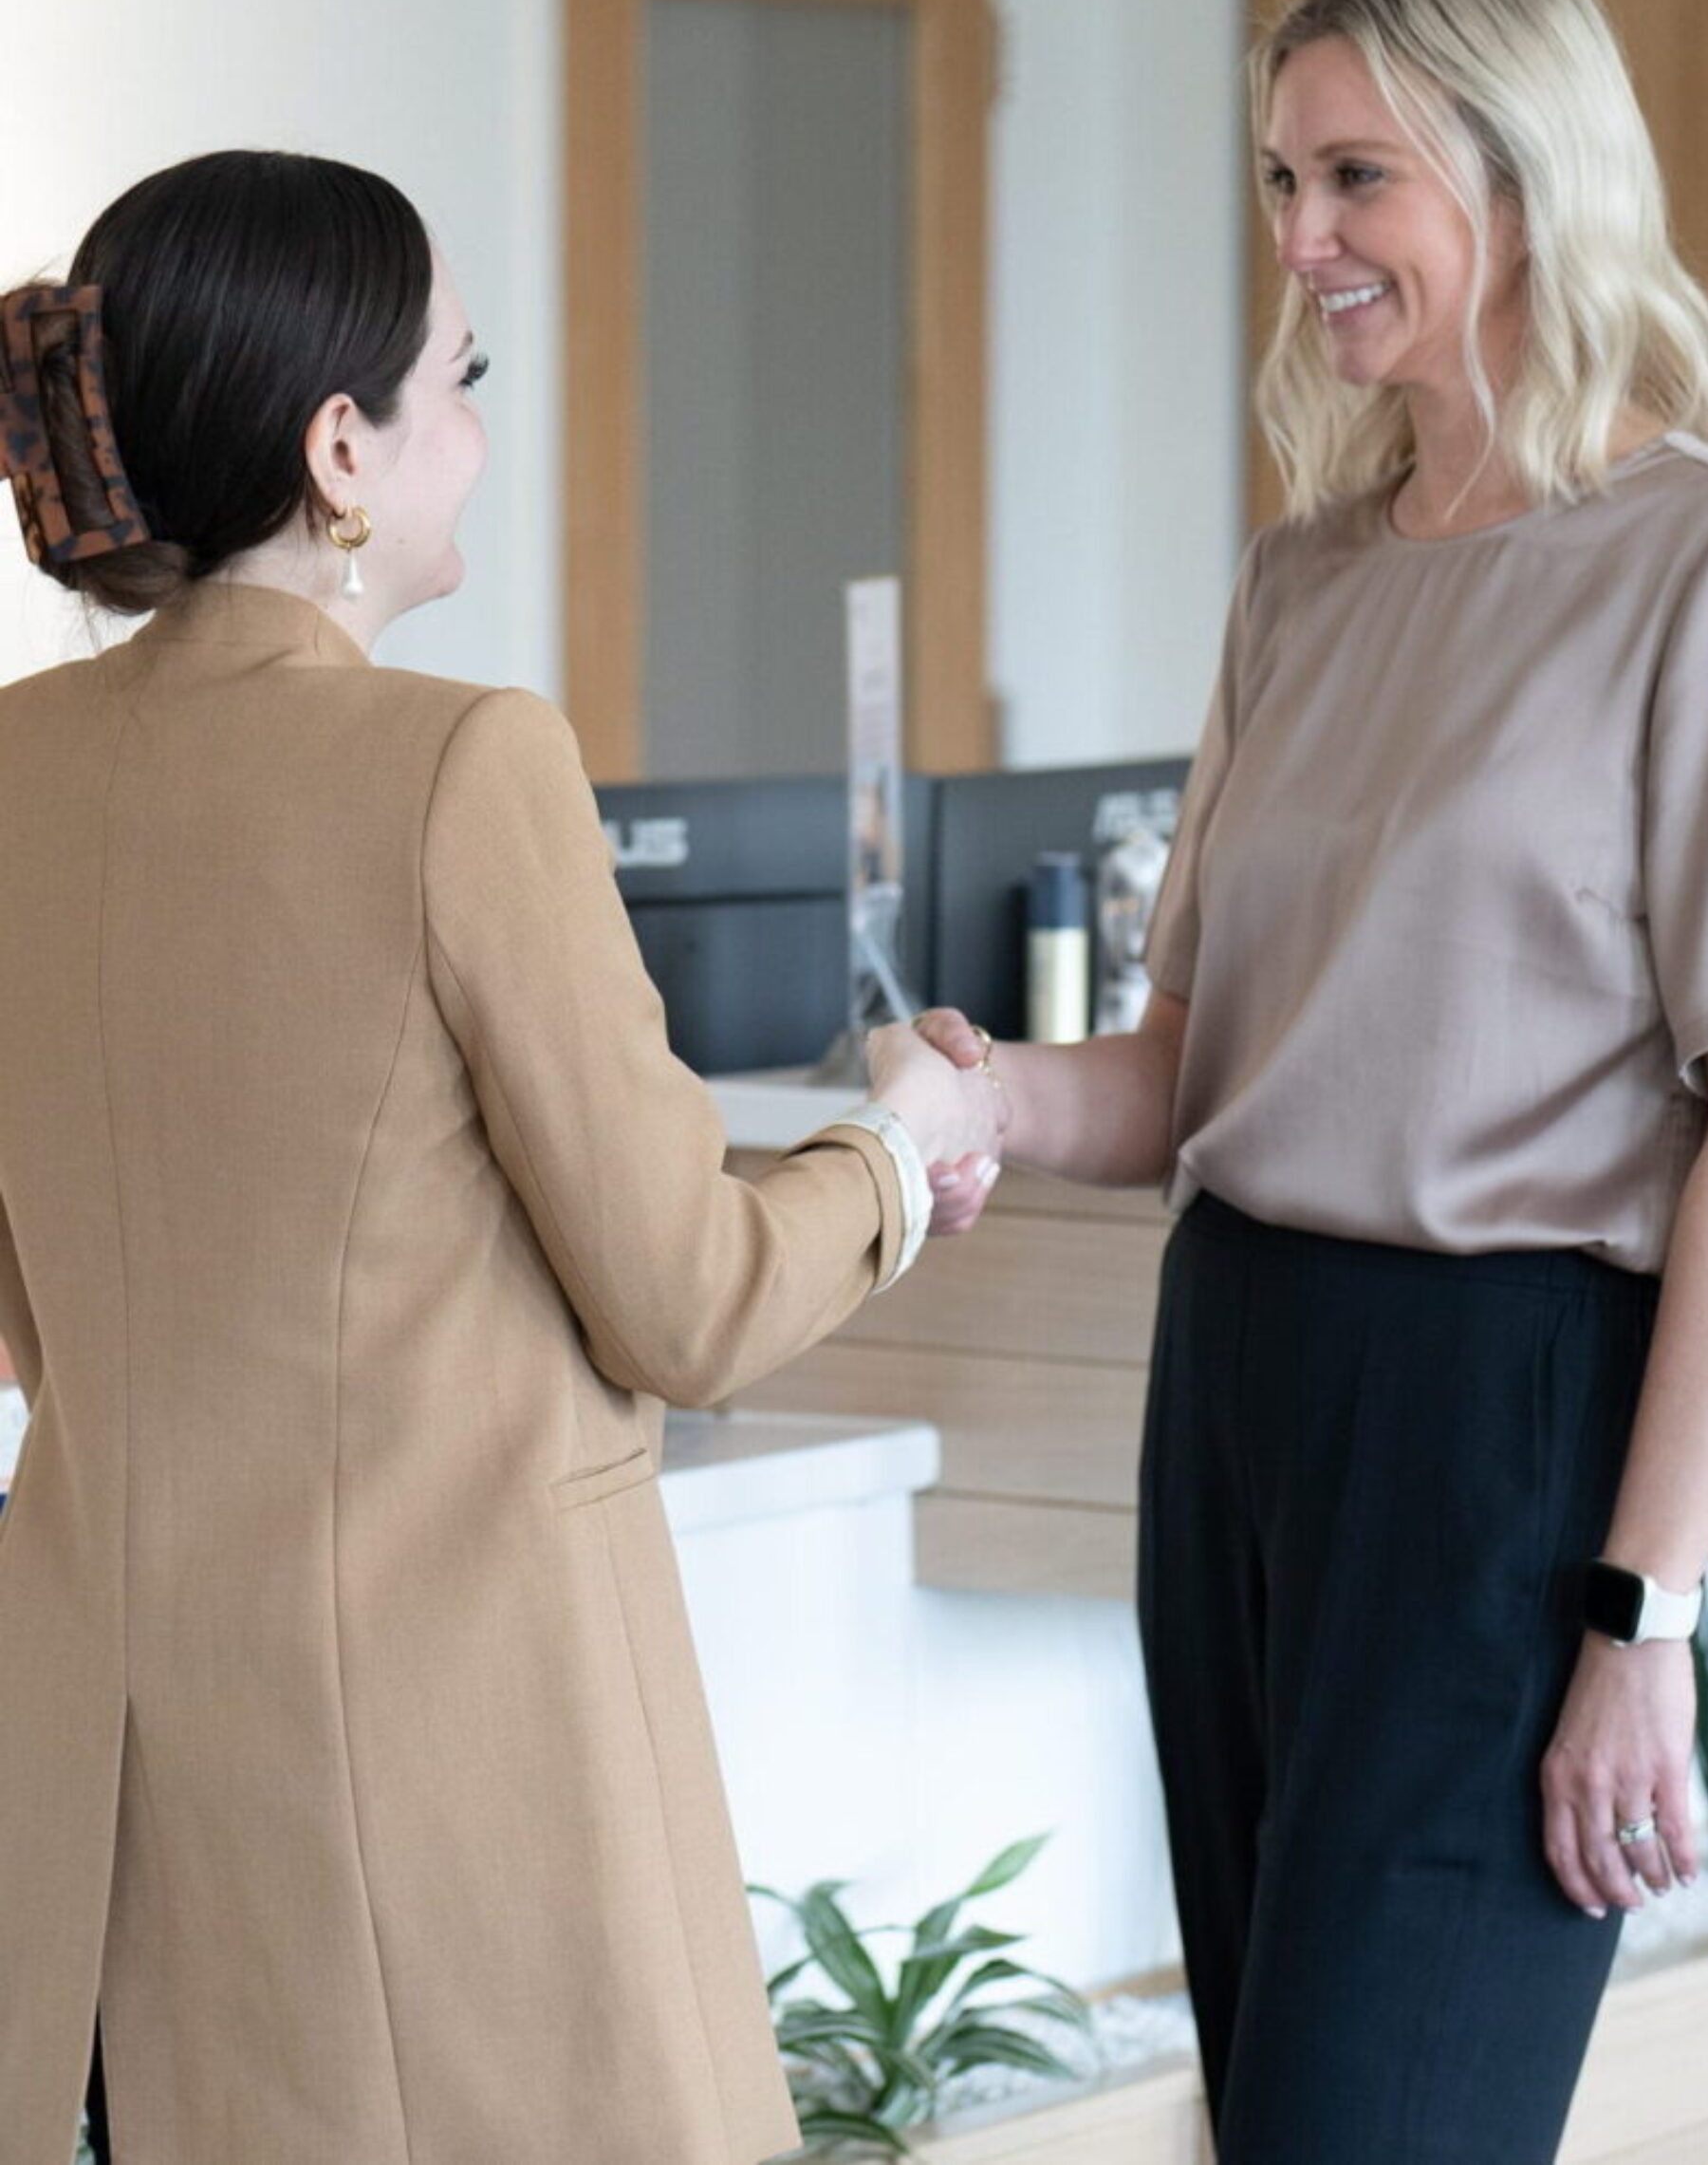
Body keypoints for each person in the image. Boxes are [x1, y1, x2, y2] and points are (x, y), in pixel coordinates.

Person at [916, 0, 1708, 2164]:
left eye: (1359, 178)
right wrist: (978, 1092)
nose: (1302, 243)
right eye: (1279, 181)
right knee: (1278, 2117)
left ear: (1530, 180)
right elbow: (1197, 1069)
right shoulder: (1303, 581)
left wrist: (1644, 1614)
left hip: (1504, 1429)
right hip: (1242, 1396)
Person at [0, 151, 1001, 2165]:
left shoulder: (16, 772)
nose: (480, 431)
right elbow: (690, 1297)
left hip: (111, 1796)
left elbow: (29, 1314)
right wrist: (905, 1140)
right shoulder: (462, 764)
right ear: (341, 450)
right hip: (444, 1804)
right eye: (457, 378)